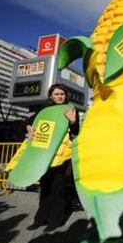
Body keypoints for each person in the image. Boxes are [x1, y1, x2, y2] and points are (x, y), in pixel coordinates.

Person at [26, 84, 80, 232]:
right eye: (56, 94)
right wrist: (29, 128)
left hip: (61, 155)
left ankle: (55, 221)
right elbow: (28, 122)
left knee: (57, 188)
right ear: (51, 96)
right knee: (45, 188)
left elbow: (76, 131)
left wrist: (73, 121)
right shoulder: (44, 110)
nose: (59, 96)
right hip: (44, 154)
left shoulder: (70, 109)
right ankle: (39, 220)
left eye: (62, 94)